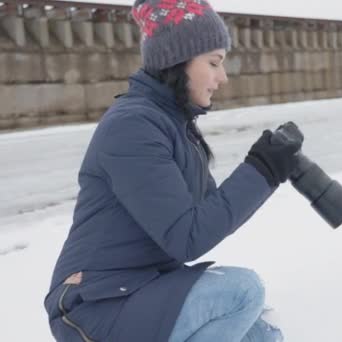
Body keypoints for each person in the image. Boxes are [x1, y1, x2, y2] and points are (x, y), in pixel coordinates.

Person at [43, 0, 301, 341]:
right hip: (92, 304)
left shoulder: (175, 126)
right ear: (178, 61)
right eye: (214, 62)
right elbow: (187, 237)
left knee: (262, 333)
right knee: (242, 292)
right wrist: (261, 170)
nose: (222, 78)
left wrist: (269, 165)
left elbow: (208, 215)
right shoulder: (133, 126)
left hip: (140, 288)